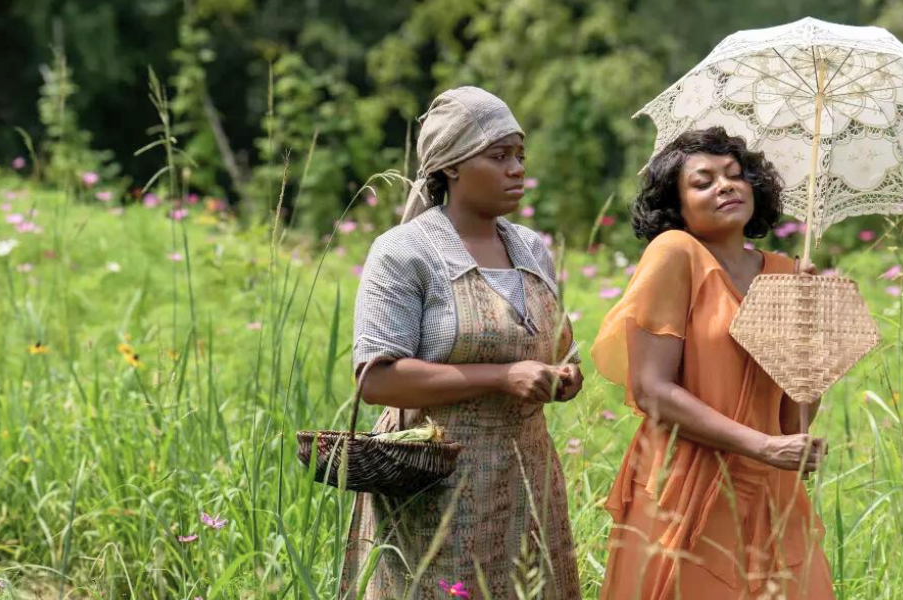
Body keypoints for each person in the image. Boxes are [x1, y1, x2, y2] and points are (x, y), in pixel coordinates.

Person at [342, 86, 583, 600]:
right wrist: (502, 377)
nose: (516, 168)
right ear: (450, 165)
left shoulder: (530, 249)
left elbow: (562, 346)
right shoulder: (404, 252)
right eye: (498, 156)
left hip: (526, 479)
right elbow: (376, 379)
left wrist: (565, 375)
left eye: (519, 155)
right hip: (435, 481)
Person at [593, 127, 834, 599]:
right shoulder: (675, 255)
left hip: (767, 488)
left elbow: (791, 420)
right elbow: (651, 391)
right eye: (703, 182)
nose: (725, 185)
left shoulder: (785, 274)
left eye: (735, 175)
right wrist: (761, 445)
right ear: (676, 206)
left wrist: (810, 333)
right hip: (684, 484)